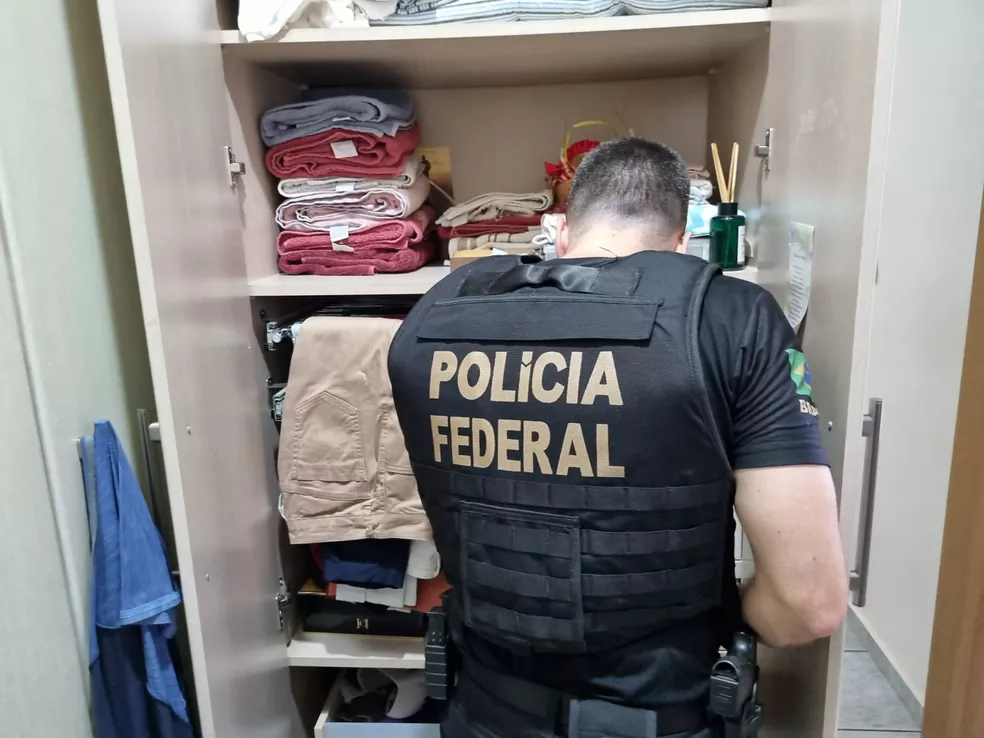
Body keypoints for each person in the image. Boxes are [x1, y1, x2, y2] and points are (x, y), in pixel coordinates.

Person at [388, 138, 848, 738]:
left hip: (480, 713)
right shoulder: (732, 318)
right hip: (661, 717)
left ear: (560, 232)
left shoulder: (436, 314)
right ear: (679, 244)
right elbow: (807, 605)